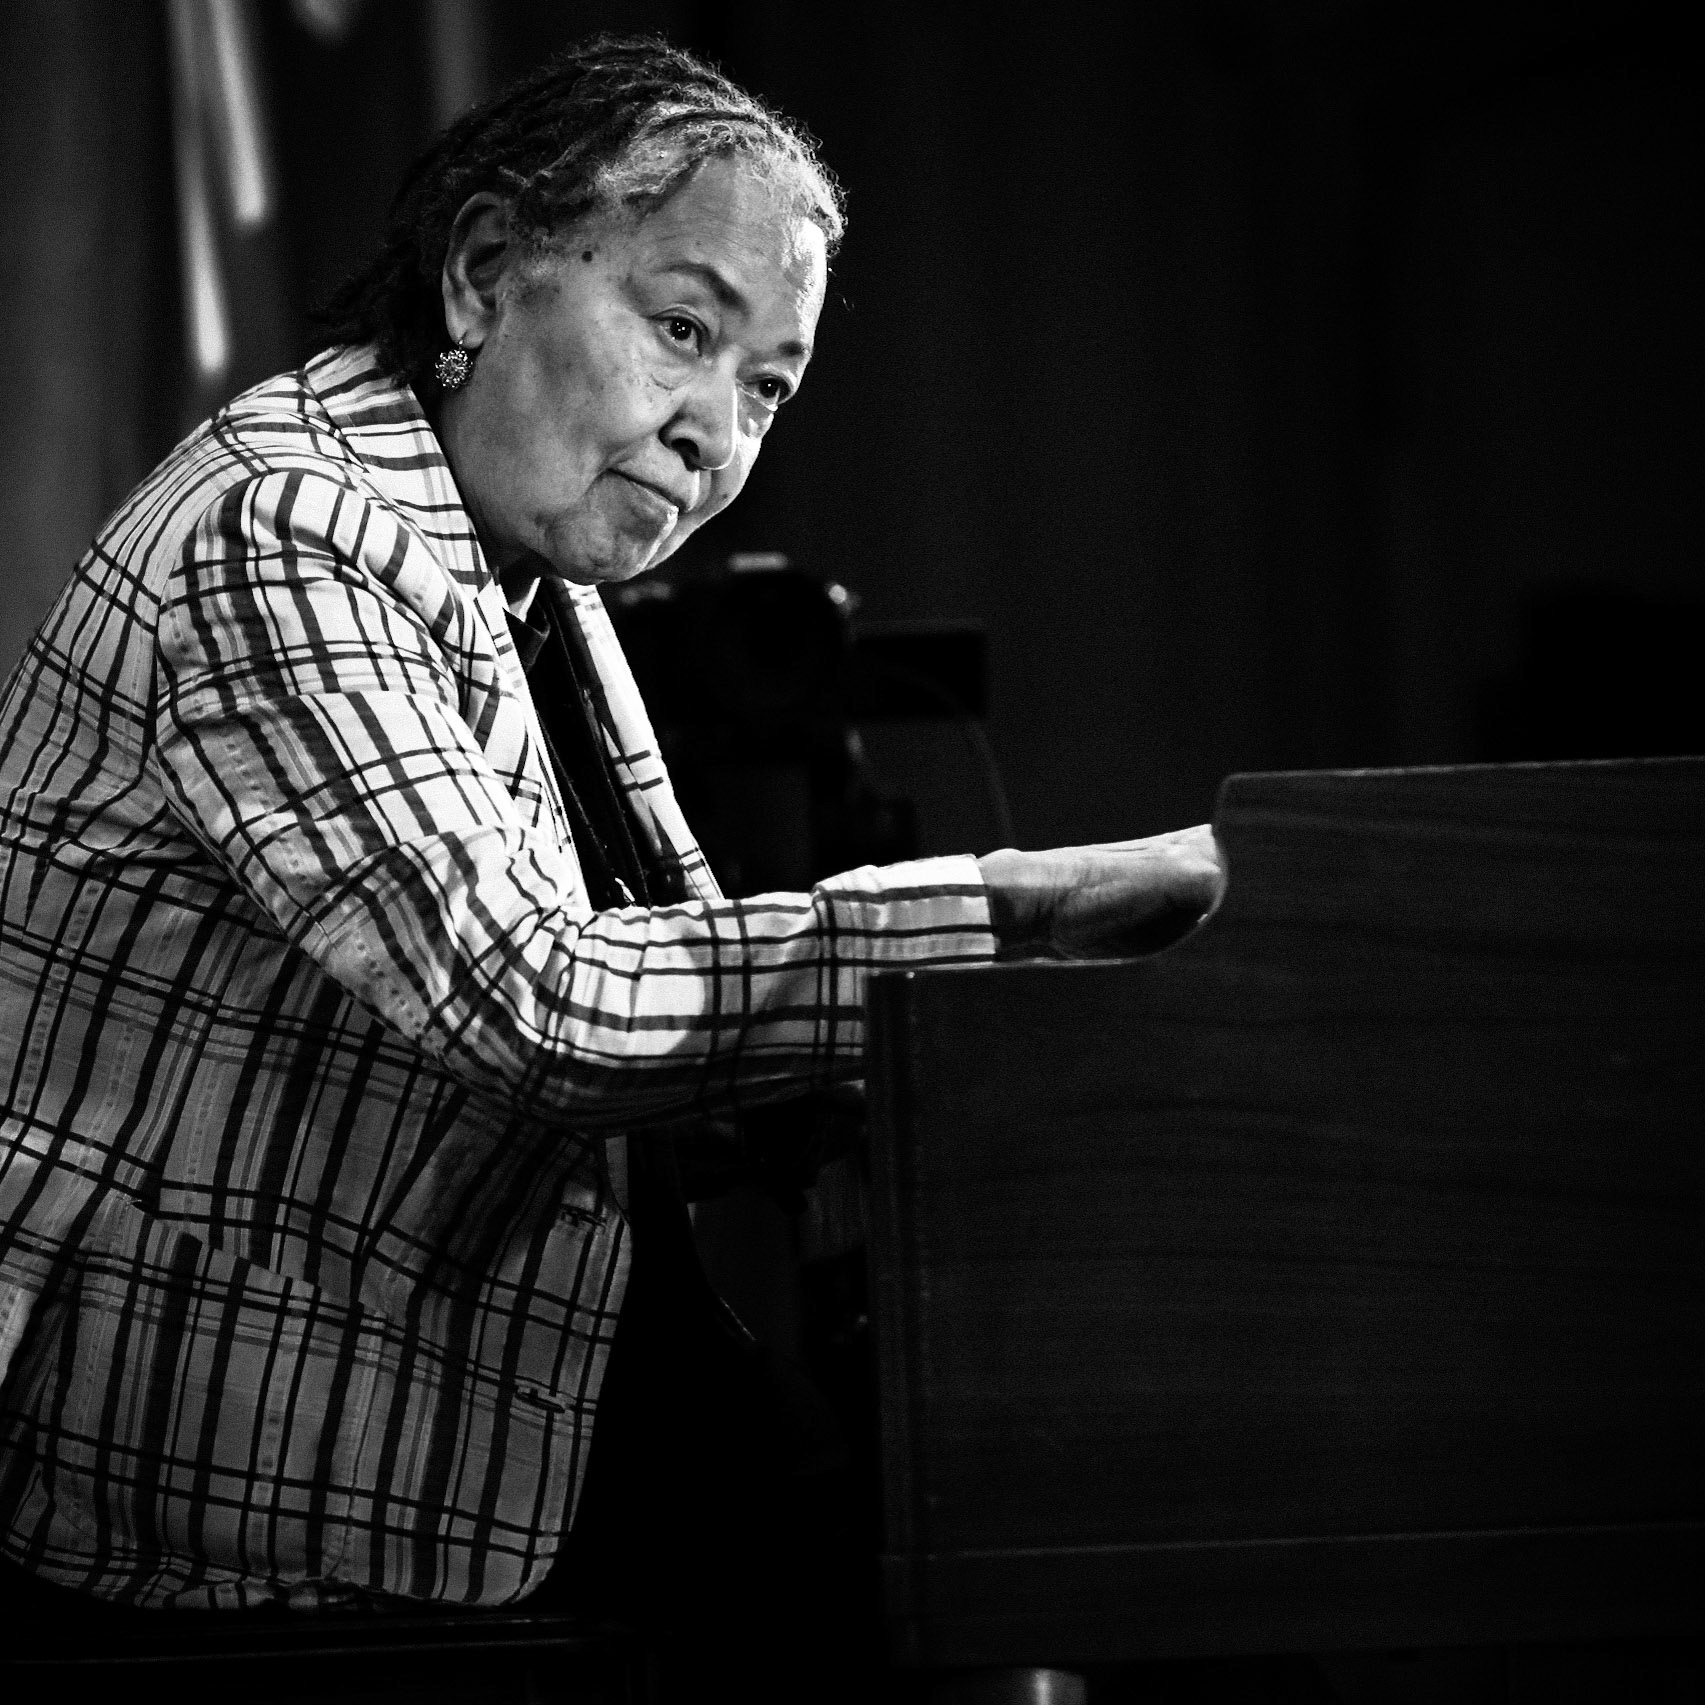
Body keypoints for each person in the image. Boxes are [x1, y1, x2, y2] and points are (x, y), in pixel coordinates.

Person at [0, 31, 1219, 1691]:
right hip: (206, 1443)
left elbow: (684, 1015)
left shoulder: (528, 564)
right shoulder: (288, 527)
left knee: (1126, 1539)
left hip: (465, 1362)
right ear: (486, 270)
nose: (714, 430)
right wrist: (1036, 907)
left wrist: (1080, 1055)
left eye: (765, 385)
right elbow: (540, 1006)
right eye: (680, 330)